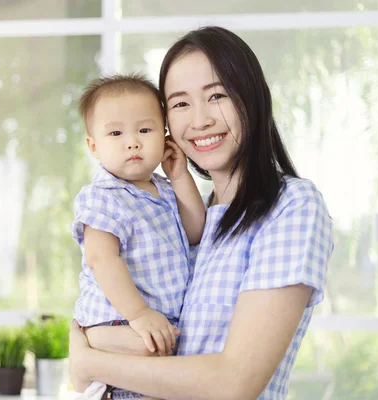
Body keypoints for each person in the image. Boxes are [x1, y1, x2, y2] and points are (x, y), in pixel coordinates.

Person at [68, 26, 334, 400]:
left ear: (252, 98)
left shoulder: (291, 206)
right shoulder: (179, 213)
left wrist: (89, 361)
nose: (200, 119)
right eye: (180, 103)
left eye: (217, 95)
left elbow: (235, 383)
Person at [71, 74, 207, 399]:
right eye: (115, 133)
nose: (132, 141)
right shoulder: (103, 196)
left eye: (145, 130)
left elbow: (196, 230)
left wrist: (179, 176)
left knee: (165, 374)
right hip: (115, 320)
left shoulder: (164, 188)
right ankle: (97, 378)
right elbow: (101, 258)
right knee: (161, 359)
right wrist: (139, 314)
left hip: (155, 322)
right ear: (94, 146)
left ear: (165, 136)